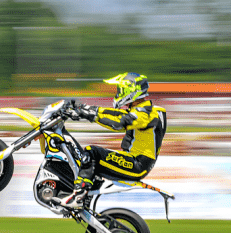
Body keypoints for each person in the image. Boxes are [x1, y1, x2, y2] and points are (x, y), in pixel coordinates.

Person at [56, 72, 167, 210]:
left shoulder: (147, 113)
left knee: (92, 153)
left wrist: (90, 115)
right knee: (83, 157)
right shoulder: (142, 110)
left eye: (120, 90)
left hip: (137, 164)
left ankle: (78, 196)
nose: (118, 93)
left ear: (130, 91)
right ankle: (85, 194)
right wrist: (87, 109)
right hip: (134, 161)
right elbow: (116, 114)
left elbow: (119, 122)